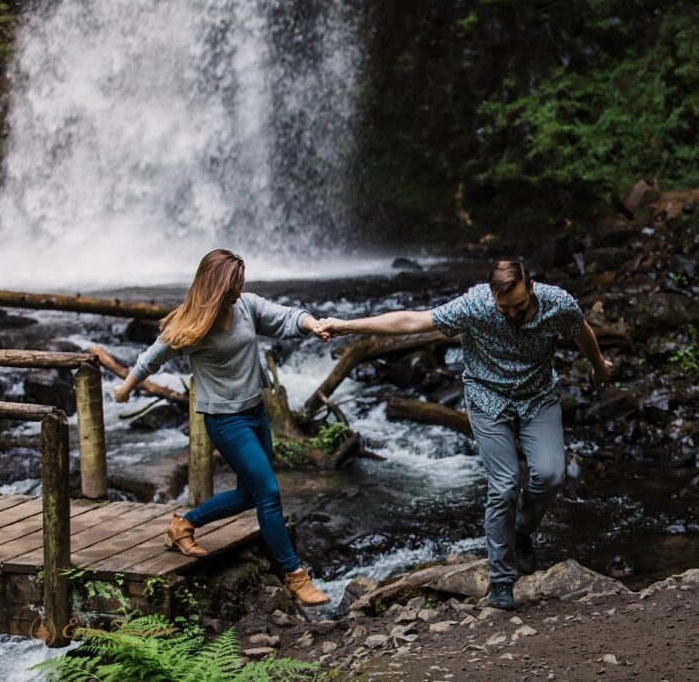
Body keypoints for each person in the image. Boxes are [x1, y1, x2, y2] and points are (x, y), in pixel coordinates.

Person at [317, 259, 613, 610]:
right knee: (503, 486)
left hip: (538, 397)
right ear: (492, 297)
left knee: (550, 474)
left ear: (530, 287)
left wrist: (598, 365)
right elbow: (412, 319)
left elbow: (582, 332)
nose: (513, 313)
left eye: (519, 304)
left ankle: (521, 531)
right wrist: (347, 326)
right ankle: (502, 580)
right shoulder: (475, 305)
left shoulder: (557, 303)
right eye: (505, 307)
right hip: (488, 399)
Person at [113, 249, 331, 606]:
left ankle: (183, 524)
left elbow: (285, 317)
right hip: (226, 421)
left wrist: (312, 324)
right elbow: (151, 358)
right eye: (233, 286)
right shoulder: (190, 326)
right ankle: (295, 576)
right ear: (216, 287)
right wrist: (125, 389)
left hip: (256, 412)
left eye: (241, 284)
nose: (239, 291)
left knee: (250, 494)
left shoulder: (246, 306)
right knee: (269, 493)